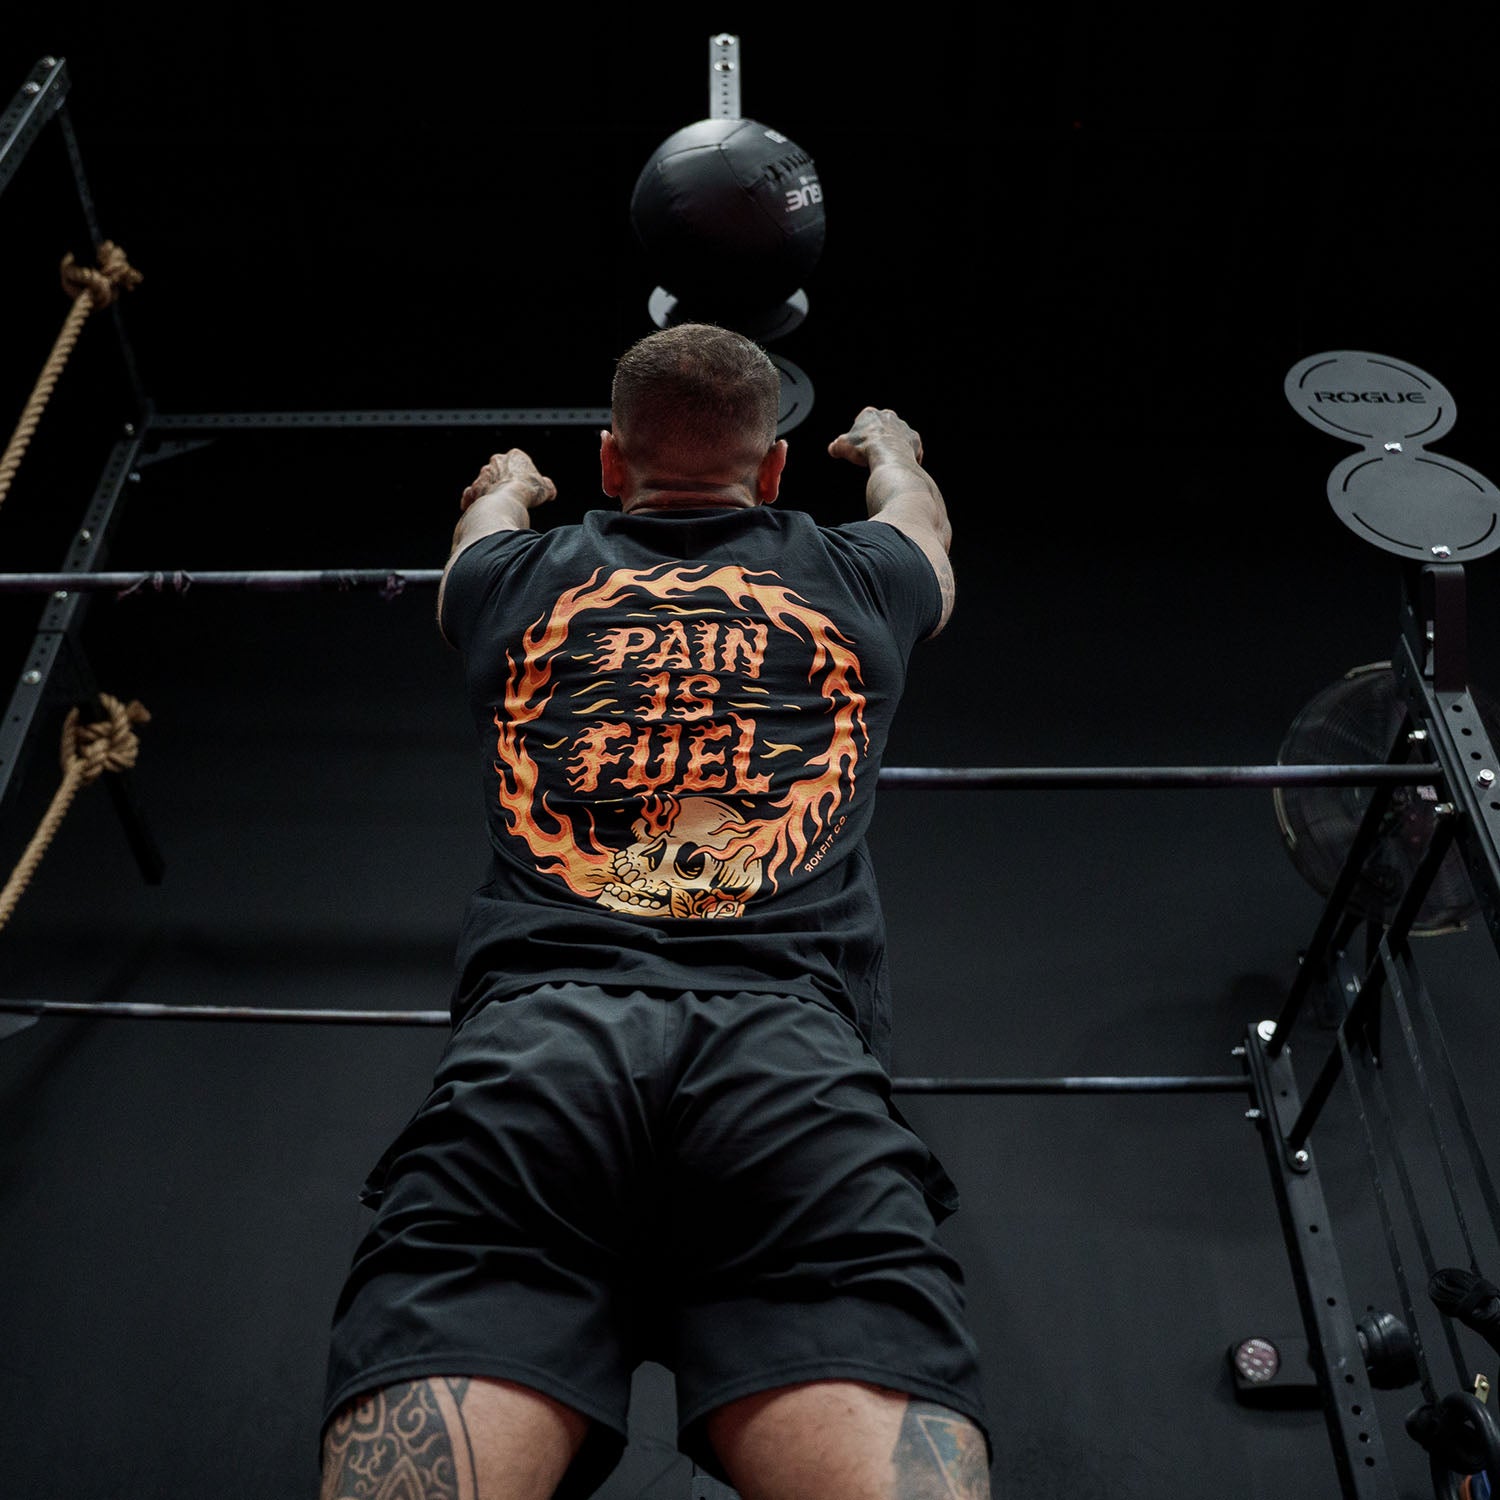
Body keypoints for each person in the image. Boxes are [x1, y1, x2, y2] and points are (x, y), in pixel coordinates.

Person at [318, 322, 991, 1500]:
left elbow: (478, 529)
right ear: (775, 467)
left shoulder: (509, 584)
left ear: (610, 462)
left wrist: (517, 488)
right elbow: (920, 521)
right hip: (786, 1057)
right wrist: (888, 448)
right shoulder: (859, 577)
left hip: (541, 1048)